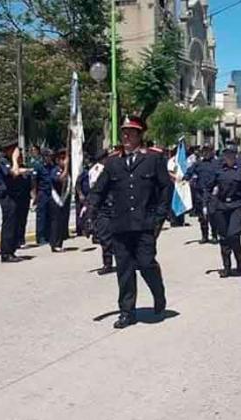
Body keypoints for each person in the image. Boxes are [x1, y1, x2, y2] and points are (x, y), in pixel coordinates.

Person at [88, 116, 171, 329]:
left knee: (146, 264)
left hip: (145, 223)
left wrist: (159, 217)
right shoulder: (113, 162)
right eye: (124, 132)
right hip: (121, 224)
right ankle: (127, 311)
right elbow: (99, 190)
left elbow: (165, 189)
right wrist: (90, 213)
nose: (126, 136)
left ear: (140, 136)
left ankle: (158, 293)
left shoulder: (153, 159)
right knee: (124, 269)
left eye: (131, 133)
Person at [209, 143, 241, 278]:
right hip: (221, 207)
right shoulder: (218, 171)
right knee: (224, 237)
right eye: (226, 154)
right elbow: (209, 187)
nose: (228, 156)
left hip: (236, 205)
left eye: (231, 154)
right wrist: (209, 202)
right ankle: (227, 267)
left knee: (233, 235)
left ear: (235, 155)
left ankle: (239, 261)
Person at [0, 141, 32, 263]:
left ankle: (11, 251)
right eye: (15, 150)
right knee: (9, 224)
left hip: (15, 197)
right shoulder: (3, 161)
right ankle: (6, 253)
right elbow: (14, 173)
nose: (18, 153)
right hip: (7, 197)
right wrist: (14, 159)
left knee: (16, 224)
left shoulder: (11, 162)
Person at [87, 149, 116, 275]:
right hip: (103, 205)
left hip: (114, 204)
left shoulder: (111, 168)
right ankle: (107, 263)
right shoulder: (97, 170)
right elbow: (96, 189)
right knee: (105, 236)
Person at [185, 146, 218, 244]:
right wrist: (185, 177)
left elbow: (221, 175)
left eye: (208, 151)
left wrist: (218, 187)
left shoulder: (217, 163)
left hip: (212, 193)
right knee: (202, 216)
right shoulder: (198, 164)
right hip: (200, 193)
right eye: (204, 151)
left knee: (212, 214)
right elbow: (189, 172)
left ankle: (214, 235)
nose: (206, 153)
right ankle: (204, 236)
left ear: (212, 152)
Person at [48, 149, 70, 253]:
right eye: (62, 159)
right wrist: (66, 167)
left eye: (65, 158)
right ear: (57, 160)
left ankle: (60, 242)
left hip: (63, 199)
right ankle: (55, 243)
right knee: (56, 222)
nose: (64, 161)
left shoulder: (66, 170)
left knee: (61, 222)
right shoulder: (55, 170)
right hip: (56, 199)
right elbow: (60, 179)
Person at [32, 148, 55, 245]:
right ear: (44, 156)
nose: (50, 158)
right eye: (49, 156)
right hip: (42, 193)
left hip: (50, 192)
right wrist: (34, 195)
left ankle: (48, 235)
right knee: (41, 216)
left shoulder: (52, 166)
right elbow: (34, 181)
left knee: (50, 214)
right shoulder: (38, 166)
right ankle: (40, 237)